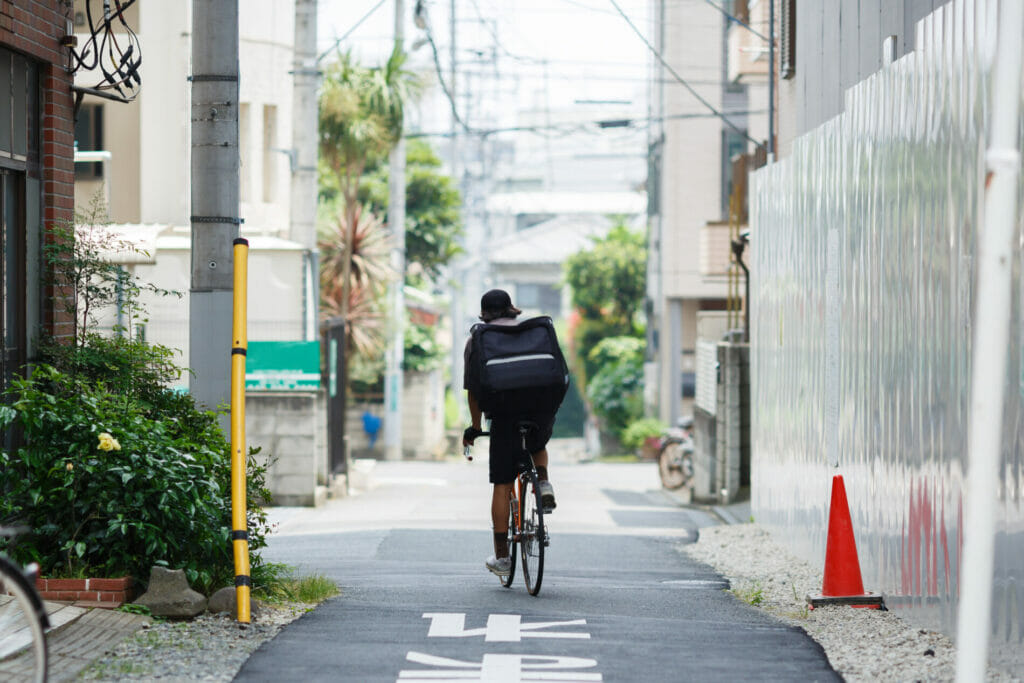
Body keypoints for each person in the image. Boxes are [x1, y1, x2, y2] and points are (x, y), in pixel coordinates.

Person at [462, 289, 557, 578]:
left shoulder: (479, 340)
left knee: (502, 484)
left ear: (484, 314)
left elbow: (474, 394)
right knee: (536, 442)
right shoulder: (533, 333)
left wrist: (476, 427)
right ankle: (543, 483)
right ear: (512, 309)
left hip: (503, 418)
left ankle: (503, 557)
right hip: (540, 411)